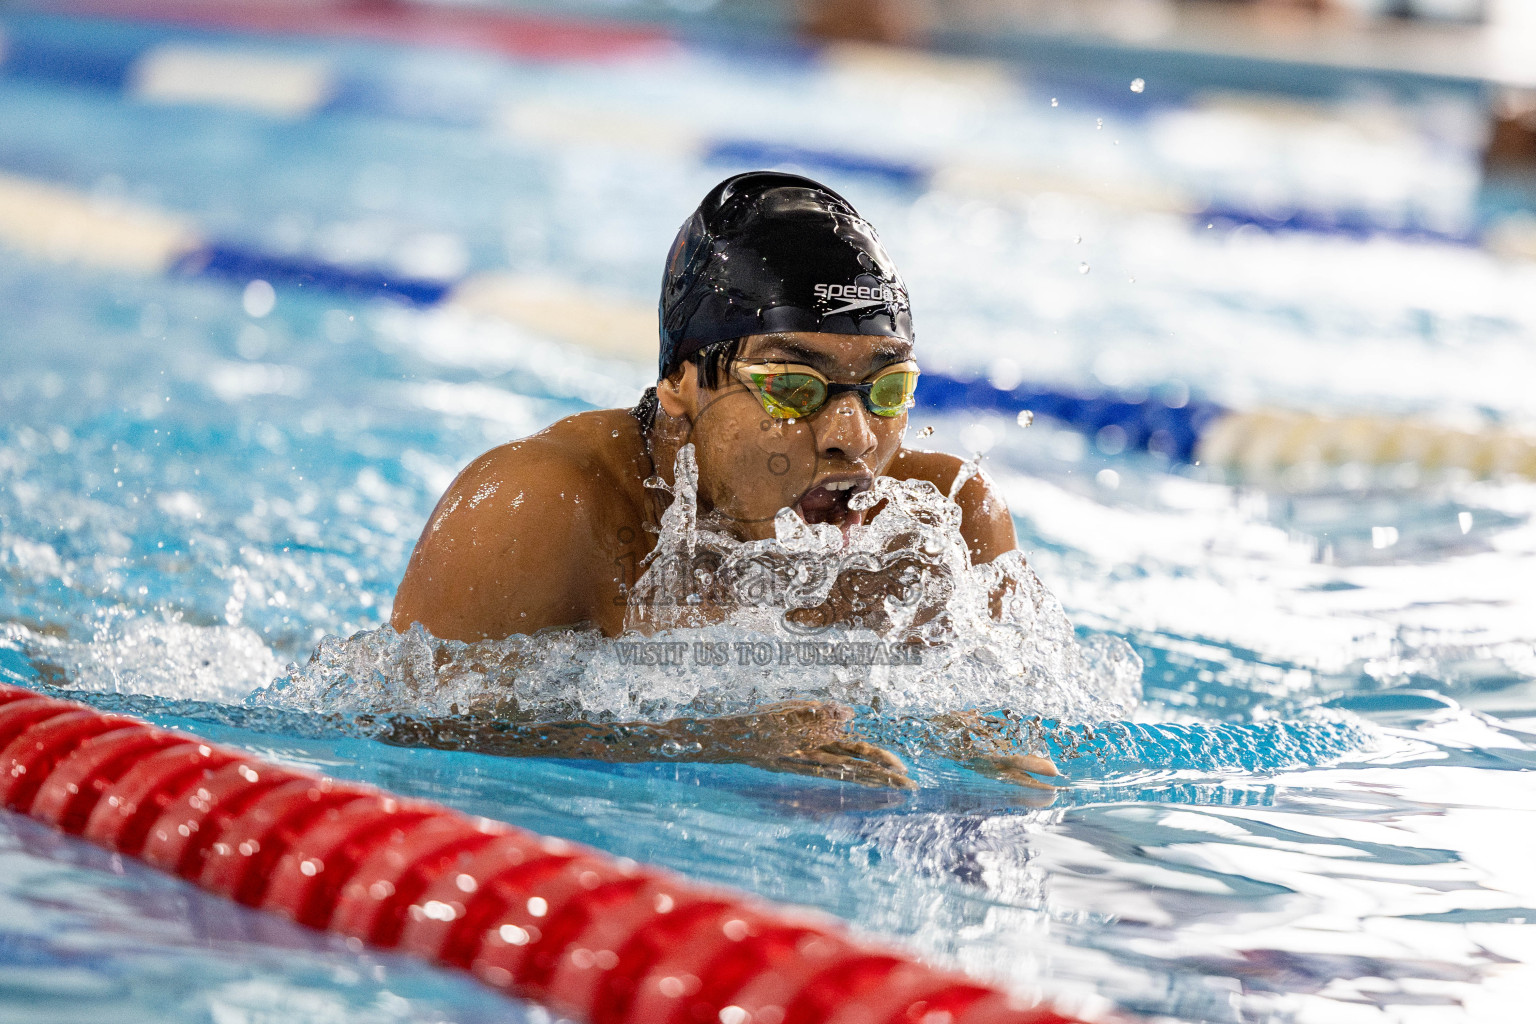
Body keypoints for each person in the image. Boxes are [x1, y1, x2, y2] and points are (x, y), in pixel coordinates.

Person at [390, 171, 1057, 792]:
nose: (851, 437)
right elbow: (413, 733)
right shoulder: (541, 506)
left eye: (886, 389)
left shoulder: (946, 522)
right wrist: (713, 742)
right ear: (682, 384)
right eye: (793, 388)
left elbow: (1004, 743)